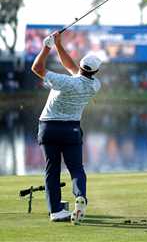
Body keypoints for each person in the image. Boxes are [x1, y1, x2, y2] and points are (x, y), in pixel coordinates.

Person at [31, 31, 102, 224]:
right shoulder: (95, 85)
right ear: (95, 72)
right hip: (71, 130)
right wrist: (59, 45)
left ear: (81, 66)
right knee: (77, 169)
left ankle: (55, 211)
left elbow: (37, 67)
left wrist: (47, 46)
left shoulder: (65, 82)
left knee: (52, 170)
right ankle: (80, 197)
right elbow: (72, 68)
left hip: (49, 128)